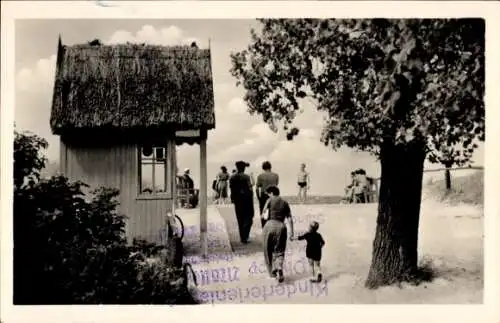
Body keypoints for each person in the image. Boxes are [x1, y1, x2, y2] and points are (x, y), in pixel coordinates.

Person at [261, 186, 294, 283]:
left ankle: (271, 274)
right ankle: (279, 266)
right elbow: (290, 218)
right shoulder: (285, 202)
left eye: (268, 193)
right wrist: (292, 232)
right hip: (281, 226)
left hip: (269, 225)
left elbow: (263, 215)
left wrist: (264, 216)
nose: (268, 195)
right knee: (279, 250)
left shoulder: (269, 200)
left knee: (267, 250)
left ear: (271, 193)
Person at [229, 161, 255, 244]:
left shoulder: (232, 177)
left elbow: (231, 189)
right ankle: (245, 235)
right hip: (247, 199)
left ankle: (242, 237)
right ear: (243, 168)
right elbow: (250, 187)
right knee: (249, 218)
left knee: (240, 218)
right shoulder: (246, 177)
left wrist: (233, 199)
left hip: (237, 200)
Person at [256, 161, 279, 228]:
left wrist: (258, 197)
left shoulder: (260, 176)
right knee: (273, 213)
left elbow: (257, 188)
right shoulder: (276, 175)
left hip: (264, 196)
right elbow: (276, 184)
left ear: (263, 168)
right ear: (270, 167)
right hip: (274, 196)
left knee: (264, 215)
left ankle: (265, 229)